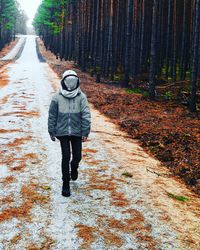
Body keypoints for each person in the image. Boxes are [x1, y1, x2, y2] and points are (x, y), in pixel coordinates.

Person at [48, 70, 91, 197]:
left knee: (77, 156)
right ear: (64, 82)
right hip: (62, 132)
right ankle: (65, 183)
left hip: (77, 132)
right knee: (65, 156)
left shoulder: (81, 97)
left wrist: (85, 131)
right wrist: (51, 130)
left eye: (73, 81)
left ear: (77, 81)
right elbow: (52, 115)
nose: (71, 84)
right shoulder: (57, 97)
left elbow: (86, 115)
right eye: (68, 81)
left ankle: (74, 166)